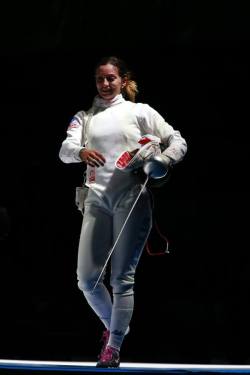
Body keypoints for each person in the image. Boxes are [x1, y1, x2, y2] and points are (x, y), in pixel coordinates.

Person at [59, 56, 187, 367]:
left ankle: (113, 346)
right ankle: (119, 328)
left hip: (132, 196)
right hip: (96, 199)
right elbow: (65, 151)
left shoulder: (139, 112)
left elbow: (178, 141)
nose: (105, 84)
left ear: (123, 79)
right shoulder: (84, 117)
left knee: (122, 278)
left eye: (111, 78)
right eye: (100, 79)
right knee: (86, 280)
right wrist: (80, 151)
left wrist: (163, 161)